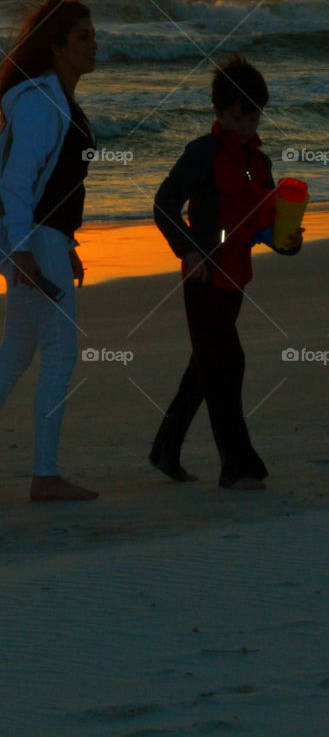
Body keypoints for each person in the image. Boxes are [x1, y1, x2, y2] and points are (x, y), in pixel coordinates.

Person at [0, 0, 99, 503]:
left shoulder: (58, 98)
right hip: (34, 240)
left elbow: (56, 185)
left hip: (46, 239)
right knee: (60, 355)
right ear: (56, 47)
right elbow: (17, 186)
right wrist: (24, 252)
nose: (93, 44)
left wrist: (68, 243)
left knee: (14, 354)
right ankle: (45, 476)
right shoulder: (42, 102)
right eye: (82, 37)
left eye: (92, 35)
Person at [150, 54, 303, 490]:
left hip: (236, 277)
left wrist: (288, 242)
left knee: (206, 363)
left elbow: (267, 223)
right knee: (225, 363)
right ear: (219, 113)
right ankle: (239, 466)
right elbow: (164, 204)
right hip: (203, 277)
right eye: (239, 116)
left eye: (254, 116)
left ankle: (165, 450)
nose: (247, 126)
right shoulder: (202, 153)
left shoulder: (260, 162)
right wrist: (190, 251)